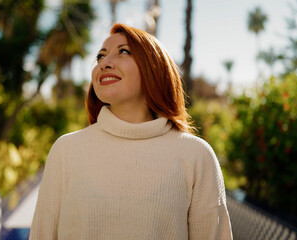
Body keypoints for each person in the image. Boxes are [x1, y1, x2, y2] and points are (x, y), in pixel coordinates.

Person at [29, 23, 233, 240]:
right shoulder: (65, 150)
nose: (104, 63)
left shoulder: (196, 156)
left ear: (154, 67)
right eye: (100, 56)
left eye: (123, 52)